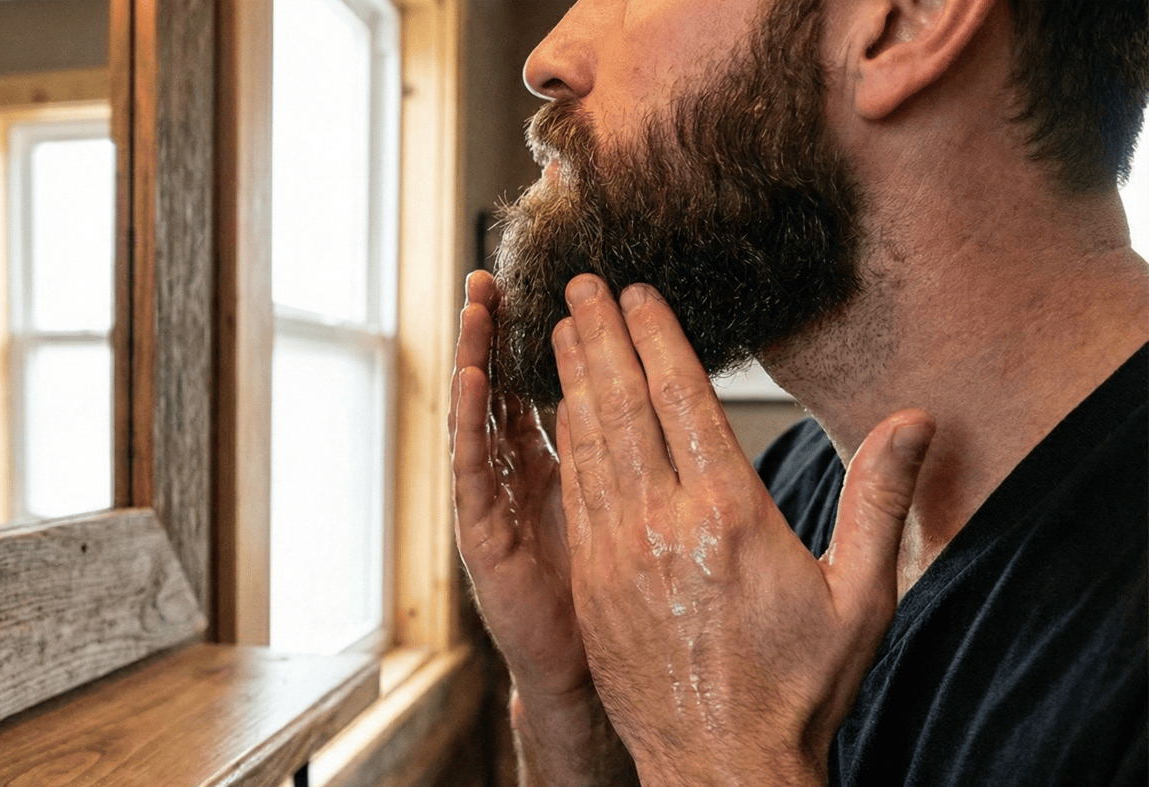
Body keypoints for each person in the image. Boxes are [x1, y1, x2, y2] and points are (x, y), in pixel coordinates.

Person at [450, 0, 1146, 784]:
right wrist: (594, 705)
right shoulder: (778, 498)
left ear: (905, 20)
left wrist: (717, 755)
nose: (546, 59)